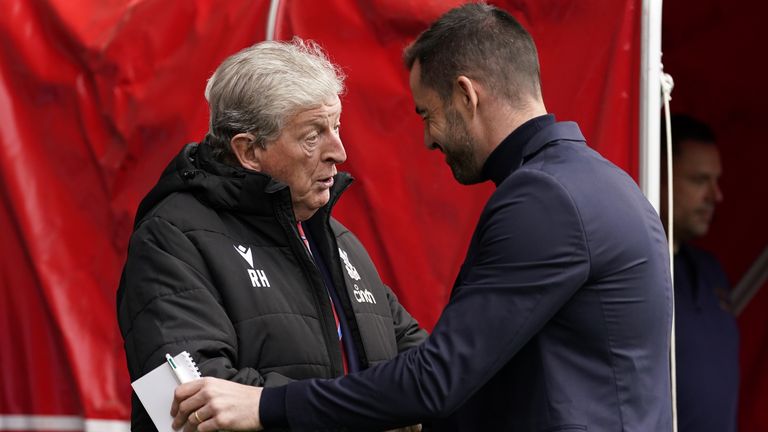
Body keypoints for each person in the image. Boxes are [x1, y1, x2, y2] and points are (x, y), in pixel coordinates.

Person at [170, 4, 674, 431]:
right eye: (312, 135)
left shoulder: (545, 197)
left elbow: (434, 379)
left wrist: (266, 405)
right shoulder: (606, 184)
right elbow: (171, 394)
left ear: (466, 95)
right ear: (248, 149)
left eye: (426, 114)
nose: (430, 139)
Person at [116, 38, 427, 432]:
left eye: (336, 126)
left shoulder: (336, 239)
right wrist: (364, 412)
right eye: (314, 134)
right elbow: (184, 411)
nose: (340, 151)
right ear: (249, 151)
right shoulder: (168, 239)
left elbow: (425, 371)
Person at [661, 114, 739, 432]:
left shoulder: (712, 271)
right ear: (661, 173)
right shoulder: (632, 270)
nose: (715, 196)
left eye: (716, 181)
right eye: (699, 180)